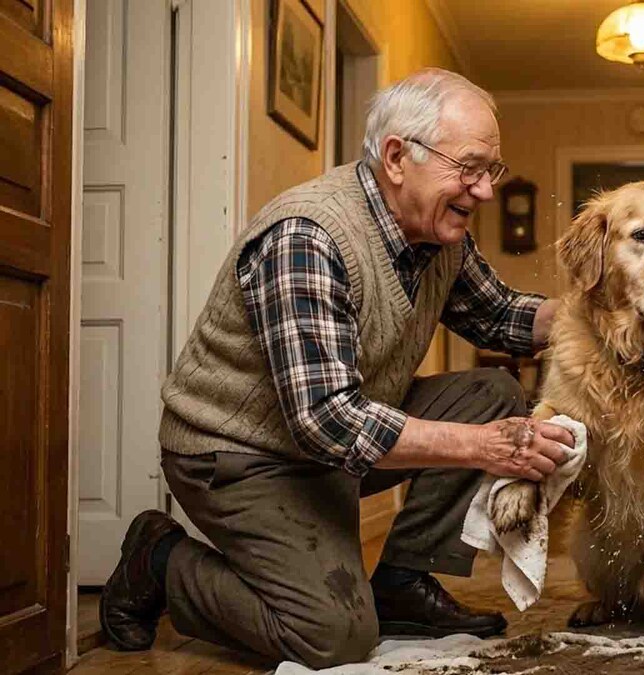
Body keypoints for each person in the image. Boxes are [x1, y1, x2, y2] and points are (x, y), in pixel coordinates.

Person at [100, 68, 573, 668]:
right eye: (470, 168)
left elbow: (502, 316)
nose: (483, 190)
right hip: (242, 456)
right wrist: (484, 448)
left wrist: (606, 309)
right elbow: (326, 420)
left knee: (491, 391)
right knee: (332, 638)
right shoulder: (309, 235)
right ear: (398, 157)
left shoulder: (440, 231)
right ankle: (161, 560)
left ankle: (403, 583)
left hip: (333, 440)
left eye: (491, 171)